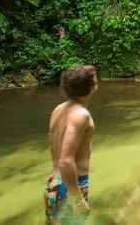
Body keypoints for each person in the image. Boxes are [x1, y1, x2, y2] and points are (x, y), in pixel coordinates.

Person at [45, 65, 98, 224]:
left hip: (54, 183)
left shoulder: (59, 109)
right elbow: (65, 161)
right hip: (68, 186)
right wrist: (77, 199)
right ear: (91, 87)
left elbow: (52, 147)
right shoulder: (80, 116)